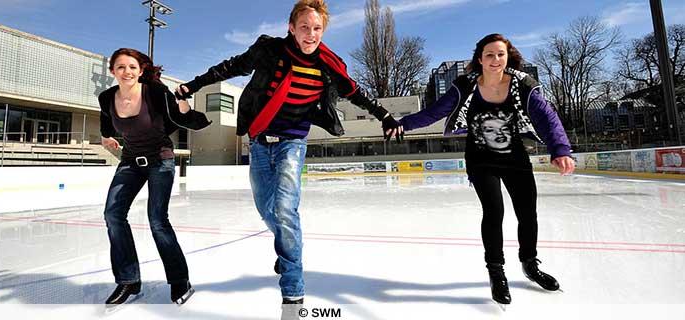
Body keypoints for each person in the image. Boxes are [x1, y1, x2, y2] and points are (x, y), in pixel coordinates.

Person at [175, 0, 403, 310]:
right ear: (291, 28)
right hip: (258, 140)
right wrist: (192, 85)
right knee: (266, 210)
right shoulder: (269, 51)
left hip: (292, 142)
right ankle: (287, 247)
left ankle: (293, 292)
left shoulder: (328, 63)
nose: (311, 34)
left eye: (317, 28)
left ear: (323, 31)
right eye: (305, 27)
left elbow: (356, 93)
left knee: (284, 210)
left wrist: (385, 115)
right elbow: (230, 66)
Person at [394, 34, 575, 305]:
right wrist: (403, 124)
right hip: (481, 159)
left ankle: (530, 263)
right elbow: (434, 112)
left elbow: (546, 117)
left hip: (514, 157)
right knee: (494, 211)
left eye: (500, 54)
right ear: (480, 59)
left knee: (527, 212)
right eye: (489, 55)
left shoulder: (523, 85)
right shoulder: (465, 86)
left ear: (507, 57)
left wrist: (560, 149)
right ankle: (496, 271)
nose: (495, 60)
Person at [98, 48, 211, 307]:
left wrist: (184, 110)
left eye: (132, 67)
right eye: (121, 67)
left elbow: (182, 117)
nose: (127, 72)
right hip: (130, 161)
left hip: (160, 159)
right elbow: (106, 125)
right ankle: (128, 280)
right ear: (112, 70)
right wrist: (107, 138)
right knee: (113, 214)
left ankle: (180, 280)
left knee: (157, 219)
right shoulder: (106, 97)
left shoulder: (154, 92)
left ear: (140, 71)